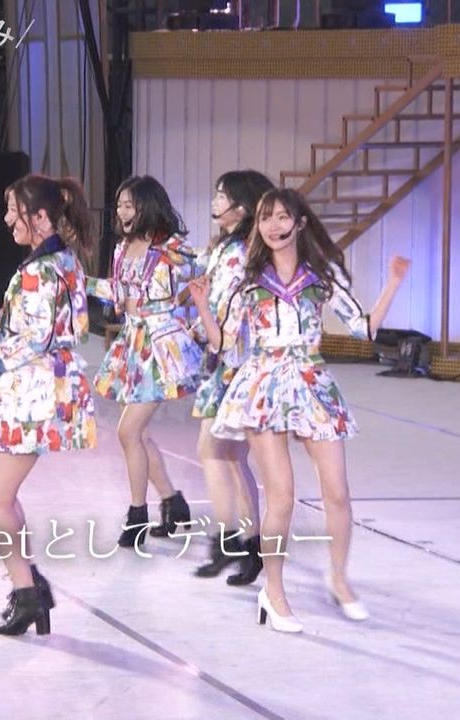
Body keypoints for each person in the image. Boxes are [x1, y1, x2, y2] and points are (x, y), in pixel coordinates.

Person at [189, 188, 410, 633]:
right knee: (282, 497)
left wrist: (393, 283)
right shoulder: (248, 281)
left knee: (338, 492)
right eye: (265, 218)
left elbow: (364, 329)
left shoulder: (321, 275)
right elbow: (224, 343)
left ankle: (340, 580)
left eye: (281, 217)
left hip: (311, 383)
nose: (272, 226)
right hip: (264, 385)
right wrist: (201, 305)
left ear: (300, 223)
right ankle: (274, 592)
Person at [0, 174, 97, 636]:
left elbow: (39, 338)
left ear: (40, 217)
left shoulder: (43, 269)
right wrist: (4, 316)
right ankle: (29, 581)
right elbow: (61, 321)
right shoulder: (63, 260)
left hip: (33, 392)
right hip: (36, 388)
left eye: (13, 210)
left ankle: (27, 593)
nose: (7, 220)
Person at [88, 175, 203, 550]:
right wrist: (80, 282)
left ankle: (137, 515)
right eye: (120, 205)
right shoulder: (122, 248)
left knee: (128, 432)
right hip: (133, 346)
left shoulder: (173, 249)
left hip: (161, 349)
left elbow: (204, 283)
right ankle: (172, 501)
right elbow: (117, 293)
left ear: (148, 207)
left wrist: (187, 319)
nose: (123, 212)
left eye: (130, 206)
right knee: (137, 434)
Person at [190, 170, 274, 586]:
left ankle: (227, 540)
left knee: (212, 451)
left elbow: (228, 315)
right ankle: (252, 545)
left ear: (240, 208)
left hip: (233, 364)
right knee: (232, 458)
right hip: (228, 361)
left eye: (222, 196)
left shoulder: (239, 253)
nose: (215, 201)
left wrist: (203, 320)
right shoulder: (226, 248)